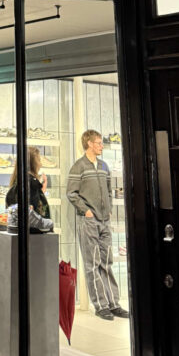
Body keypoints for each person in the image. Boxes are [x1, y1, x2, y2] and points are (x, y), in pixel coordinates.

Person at [67, 128, 129, 321]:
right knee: (92, 263)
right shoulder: (79, 167)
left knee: (107, 261)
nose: (102, 146)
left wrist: (108, 208)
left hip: (104, 221)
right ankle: (100, 305)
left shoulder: (103, 166)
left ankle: (114, 304)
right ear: (89, 144)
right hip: (89, 221)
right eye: (99, 143)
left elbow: (109, 189)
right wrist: (86, 211)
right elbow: (71, 193)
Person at [6, 146, 50, 217]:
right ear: (33, 163)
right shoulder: (31, 183)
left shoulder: (17, 181)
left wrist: (41, 191)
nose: (40, 164)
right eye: (39, 160)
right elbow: (38, 212)